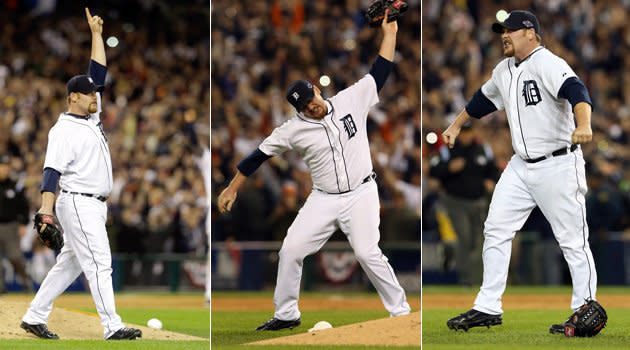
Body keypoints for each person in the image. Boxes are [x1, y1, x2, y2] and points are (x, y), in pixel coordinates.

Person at [217, 9, 411, 331]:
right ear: (298, 109)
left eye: (312, 99)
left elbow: (380, 71)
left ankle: (401, 312)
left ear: (317, 90)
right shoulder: (293, 129)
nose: (312, 106)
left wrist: (389, 33)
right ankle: (286, 314)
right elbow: (257, 156)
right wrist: (232, 187)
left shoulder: (350, 100)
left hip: (362, 191)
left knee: (366, 252)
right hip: (323, 199)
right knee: (290, 250)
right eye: (304, 106)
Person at [443, 10, 599, 333]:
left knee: (572, 241)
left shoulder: (547, 62)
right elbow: (481, 101)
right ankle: (488, 306)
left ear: (531, 33)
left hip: (558, 162)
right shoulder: (503, 69)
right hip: (520, 166)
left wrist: (584, 123)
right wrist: (456, 126)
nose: (504, 35)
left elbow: (576, 90)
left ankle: (584, 310)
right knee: (496, 228)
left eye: (511, 30)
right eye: (502, 30)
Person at [20, 8, 141, 340]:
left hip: (93, 204)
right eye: (88, 93)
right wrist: (46, 209)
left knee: (70, 264)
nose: (94, 96)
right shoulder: (63, 130)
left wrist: (97, 35)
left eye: (94, 93)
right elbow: (50, 172)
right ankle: (112, 326)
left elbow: (98, 71)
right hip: (77, 203)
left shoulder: (91, 116)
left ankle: (34, 316)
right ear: (73, 96)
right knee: (101, 262)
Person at [429, 122, 498, 286]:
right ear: (459, 133)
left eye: (469, 132)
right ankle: (466, 280)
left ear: (473, 132)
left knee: (478, 241)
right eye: (464, 132)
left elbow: (493, 170)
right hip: (456, 202)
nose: (466, 135)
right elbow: (433, 170)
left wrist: (491, 180)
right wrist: (448, 168)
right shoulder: (448, 150)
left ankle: (477, 279)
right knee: (465, 238)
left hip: (478, 201)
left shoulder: (483, 149)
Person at [184, 109, 211, 307]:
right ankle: (209, 294)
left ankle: (211, 293)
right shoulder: (206, 156)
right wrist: (190, 125)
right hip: (210, 208)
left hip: (218, 207)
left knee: (212, 252)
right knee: (210, 252)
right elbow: (194, 144)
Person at [0, 155, 33, 293]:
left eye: (7, 167)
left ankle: (26, 282)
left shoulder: (15, 186)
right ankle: (1, 289)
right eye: (2, 166)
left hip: (11, 226)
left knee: (15, 257)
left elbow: (25, 207)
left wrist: (23, 224)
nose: (4, 169)